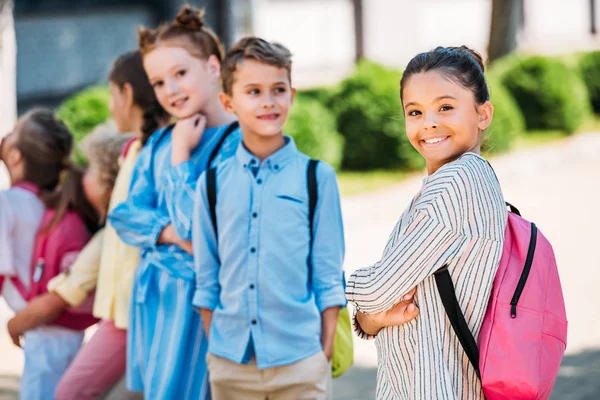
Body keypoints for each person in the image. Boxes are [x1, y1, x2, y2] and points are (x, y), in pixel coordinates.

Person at [345, 46, 508, 400]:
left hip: (439, 388)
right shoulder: (454, 183)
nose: (429, 122)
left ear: (483, 114)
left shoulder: (458, 182)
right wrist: (369, 317)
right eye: (415, 111)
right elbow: (380, 305)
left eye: (445, 107)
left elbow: (378, 291)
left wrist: (346, 287)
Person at [6, 51, 170, 400]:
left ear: (127, 94)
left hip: (130, 319)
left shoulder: (144, 157)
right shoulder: (139, 155)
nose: (83, 174)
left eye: (112, 95)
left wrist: (16, 323)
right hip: (127, 319)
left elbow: (68, 288)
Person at [192, 37, 346, 400]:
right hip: (230, 362)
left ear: (291, 95)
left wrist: (323, 348)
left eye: (278, 90)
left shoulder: (316, 177)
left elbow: (327, 272)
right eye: (254, 91)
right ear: (228, 102)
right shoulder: (212, 183)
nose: (268, 101)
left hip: (300, 360)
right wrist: (216, 342)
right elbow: (206, 274)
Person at [109, 5, 240, 399]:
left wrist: (183, 158)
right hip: (155, 301)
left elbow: (198, 228)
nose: (171, 90)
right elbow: (125, 215)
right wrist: (166, 232)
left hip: (199, 304)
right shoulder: (159, 144)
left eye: (180, 74)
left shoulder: (240, 144)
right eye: (159, 82)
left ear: (213, 67)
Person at [0, 108, 100, 399]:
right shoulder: (59, 201)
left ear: (16, 156)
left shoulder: (7, 203)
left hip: (42, 326)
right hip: (67, 326)